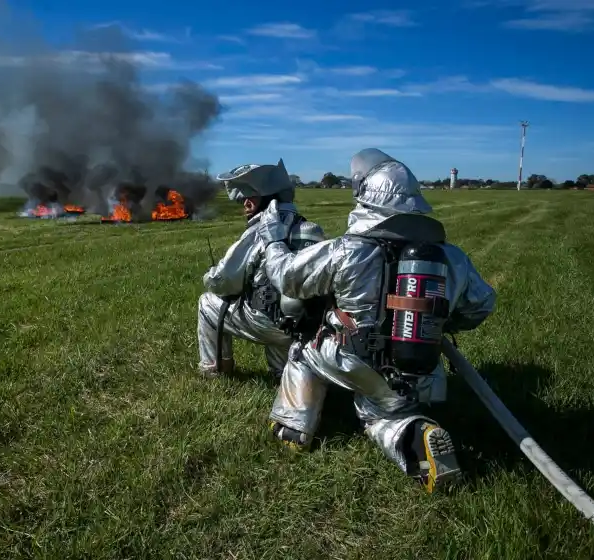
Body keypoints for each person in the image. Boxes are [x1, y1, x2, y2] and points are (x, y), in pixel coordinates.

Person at [255, 148, 497, 492]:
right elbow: (481, 305)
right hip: (422, 368)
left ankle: (292, 429)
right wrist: (441, 322)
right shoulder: (449, 256)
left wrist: (274, 241)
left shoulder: (347, 250)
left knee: (301, 353)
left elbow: (287, 278)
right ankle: (418, 433)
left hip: (355, 360)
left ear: (367, 197)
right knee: (386, 412)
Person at [197, 159, 326, 380]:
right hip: (306, 324)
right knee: (280, 308)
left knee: (207, 303)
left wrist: (210, 277)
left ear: (269, 197)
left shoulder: (260, 231)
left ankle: (215, 371)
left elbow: (225, 281)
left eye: (252, 196)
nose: (245, 202)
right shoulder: (309, 227)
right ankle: (282, 374)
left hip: (270, 322)